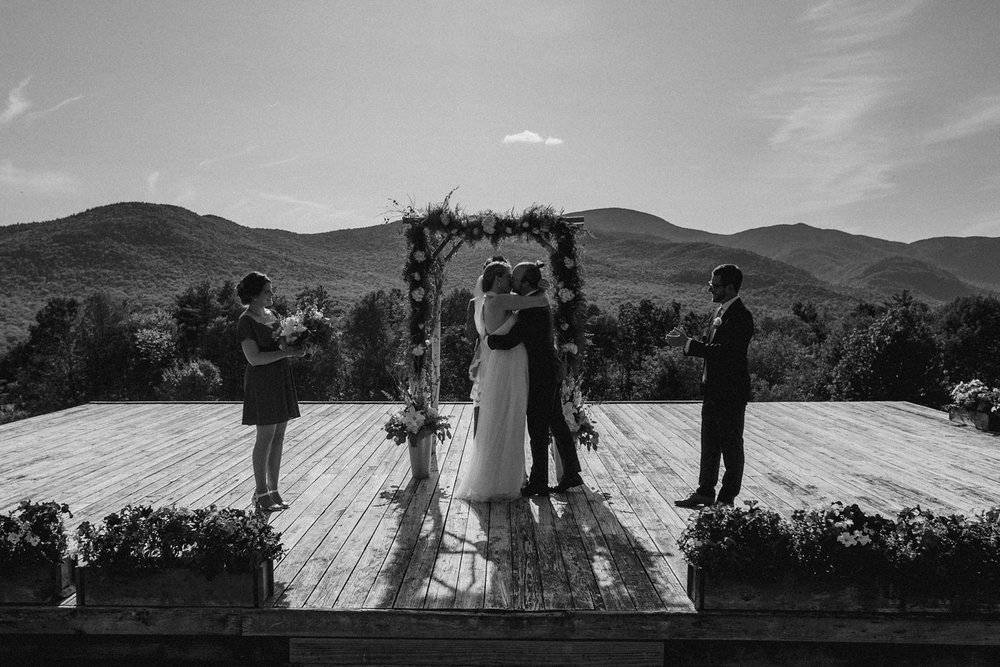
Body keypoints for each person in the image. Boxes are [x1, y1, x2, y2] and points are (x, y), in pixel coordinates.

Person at [454, 260, 549, 501]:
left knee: (504, 419)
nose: (513, 284)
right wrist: (541, 286)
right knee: (509, 420)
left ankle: (503, 477)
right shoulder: (499, 299)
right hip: (507, 369)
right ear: (498, 280)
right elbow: (538, 301)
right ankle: (505, 480)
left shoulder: (492, 299)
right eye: (509, 278)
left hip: (505, 367)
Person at [487, 261, 583, 496]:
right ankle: (571, 473)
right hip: (549, 370)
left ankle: (539, 482)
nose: (513, 284)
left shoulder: (533, 308)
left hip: (542, 374)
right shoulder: (536, 298)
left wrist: (490, 341)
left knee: (538, 428)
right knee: (556, 422)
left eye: (516, 279)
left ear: (526, 283)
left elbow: (512, 339)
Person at [665, 264, 754, 508]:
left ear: (730, 287)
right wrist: (686, 343)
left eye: (714, 286)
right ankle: (705, 492)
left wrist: (689, 344)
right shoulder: (719, 312)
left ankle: (726, 499)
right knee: (710, 445)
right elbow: (710, 345)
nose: (710, 290)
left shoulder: (742, 316)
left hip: (731, 393)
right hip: (713, 391)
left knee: (731, 448)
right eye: (710, 285)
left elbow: (727, 354)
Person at [236, 271, 306, 513]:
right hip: (262, 381)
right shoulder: (245, 321)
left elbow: (282, 345)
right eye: (267, 291)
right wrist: (286, 353)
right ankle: (260, 492)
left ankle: (273, 489)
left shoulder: (273, 315)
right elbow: (253, 358)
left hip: (280, 378)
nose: (271, 294)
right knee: (264, 438)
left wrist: (299, 345)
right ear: (254, 295)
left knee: (278, 436)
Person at [466, 255, 508, 437]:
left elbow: (469, 336)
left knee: (480, 401)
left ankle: (480, 443)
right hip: (507, 354)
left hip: (483, 355)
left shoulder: (474, 303)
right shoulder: (508, 300)